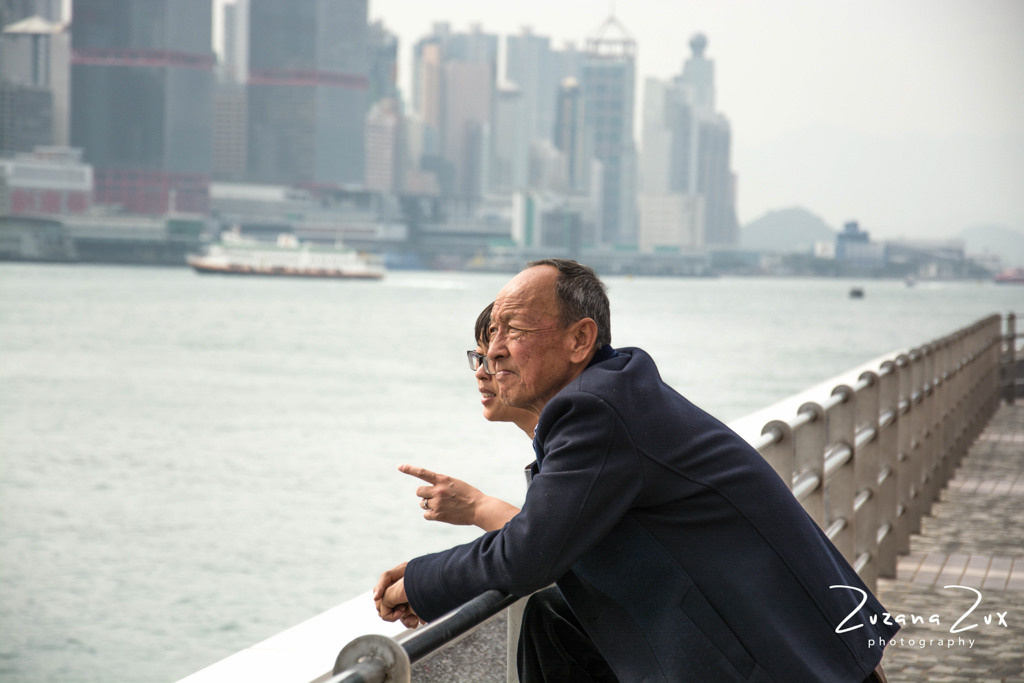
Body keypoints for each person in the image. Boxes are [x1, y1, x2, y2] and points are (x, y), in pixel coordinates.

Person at [375, 259, 898, 681]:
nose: (493, 350)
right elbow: (558, 537)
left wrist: (421, 582)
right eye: (489, 334)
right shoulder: (612, 393)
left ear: (580, 340)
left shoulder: (595, 408)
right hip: (813, 644)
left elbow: (531, 553)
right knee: (553, 618)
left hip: (788, 663)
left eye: (513, 329)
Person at [400, 303, 531, 533]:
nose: (481, 373)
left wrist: (476, 507)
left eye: (496, 359)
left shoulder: (579, 439)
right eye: (479, 359)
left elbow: (544, 544)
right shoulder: (553, 440)